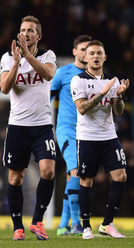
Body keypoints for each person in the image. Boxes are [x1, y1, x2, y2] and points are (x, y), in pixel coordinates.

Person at [0, 16, 57, 241]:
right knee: (15, 179)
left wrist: (28, 56)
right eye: (23, 30)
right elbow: (5, 87)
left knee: (49, 170)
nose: (26, 33)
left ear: (38, 36)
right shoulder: (6, 58)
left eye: (31, 30)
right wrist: (16, 62)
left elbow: (49, 74)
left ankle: (37, 222)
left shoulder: (47, 55)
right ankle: (18, 228)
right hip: (17, 127)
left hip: (42, 126)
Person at [70, 40, 129, 239]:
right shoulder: (78, 80)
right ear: (85, 57)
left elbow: (118, 112)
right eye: (92, 53)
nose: (95, 56)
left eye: (99, 53)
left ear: (105, 57)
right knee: (87, 181)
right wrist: (102, 93)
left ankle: (107, 224)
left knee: (121, 176)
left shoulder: (112, 80)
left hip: (109, 136)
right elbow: (82, 108)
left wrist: (119, 96)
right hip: (87, 138)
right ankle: (86, 226)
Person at [51, 35, 92, 236]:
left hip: (87, 133)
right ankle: (77, 223)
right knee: (77, 172)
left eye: (90, 49)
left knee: (72, 177)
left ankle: (62, 225)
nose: (87, 53)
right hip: (66, 131)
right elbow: (45, 98)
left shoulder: (93, 76)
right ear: (75, 51)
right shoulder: (62, 73)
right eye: (83, 49)